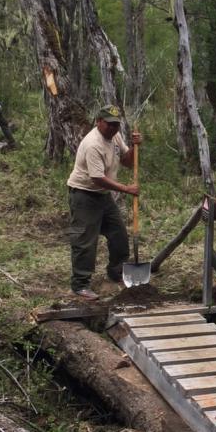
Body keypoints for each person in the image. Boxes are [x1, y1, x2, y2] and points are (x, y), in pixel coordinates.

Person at [66, 105, 140, 300]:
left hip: (103, 196)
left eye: (116, 124)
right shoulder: (93, 144)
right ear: (98, 121)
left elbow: (126, 160)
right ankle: (80, 284)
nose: (113, 128)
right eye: (109, 124)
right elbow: (97, 178)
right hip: (84, 194)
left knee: (119, 235)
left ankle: (116, 273)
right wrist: (126, 189)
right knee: (85, 241)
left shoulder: (115, 136)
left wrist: (134, 147)